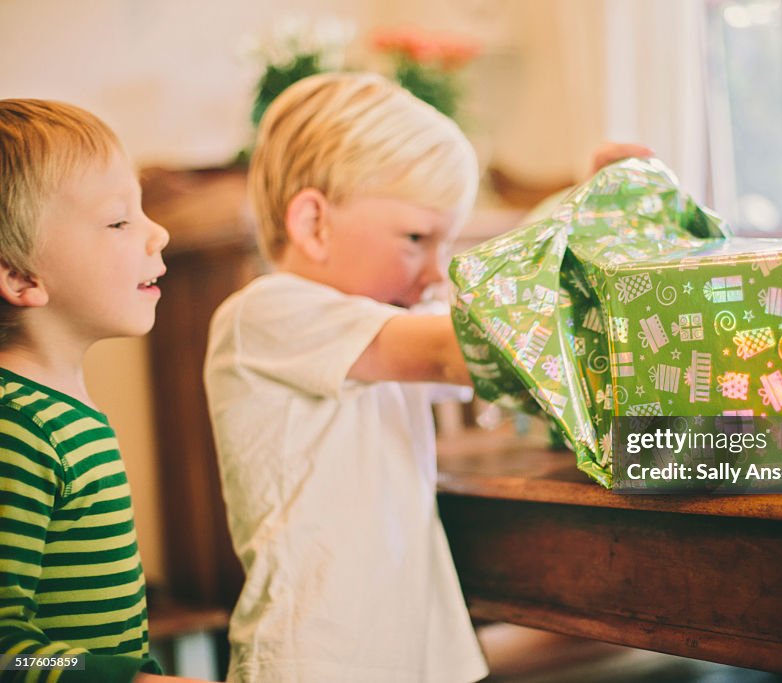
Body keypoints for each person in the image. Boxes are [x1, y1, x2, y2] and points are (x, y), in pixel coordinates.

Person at [203, 71, 651, 682]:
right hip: (317, 660)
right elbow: (466, 346)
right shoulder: (266, 314)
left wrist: (587, 206)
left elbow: (485, 325)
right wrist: (587, 227)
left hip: (413, 654)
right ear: (313, 223)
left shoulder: (380, 330)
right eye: (416, 237)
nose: (434, 273)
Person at [0, 99, 206, 683]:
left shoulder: (56, 413)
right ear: (20, 276)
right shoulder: (18, 430)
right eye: (120, 220)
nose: (158, 231)